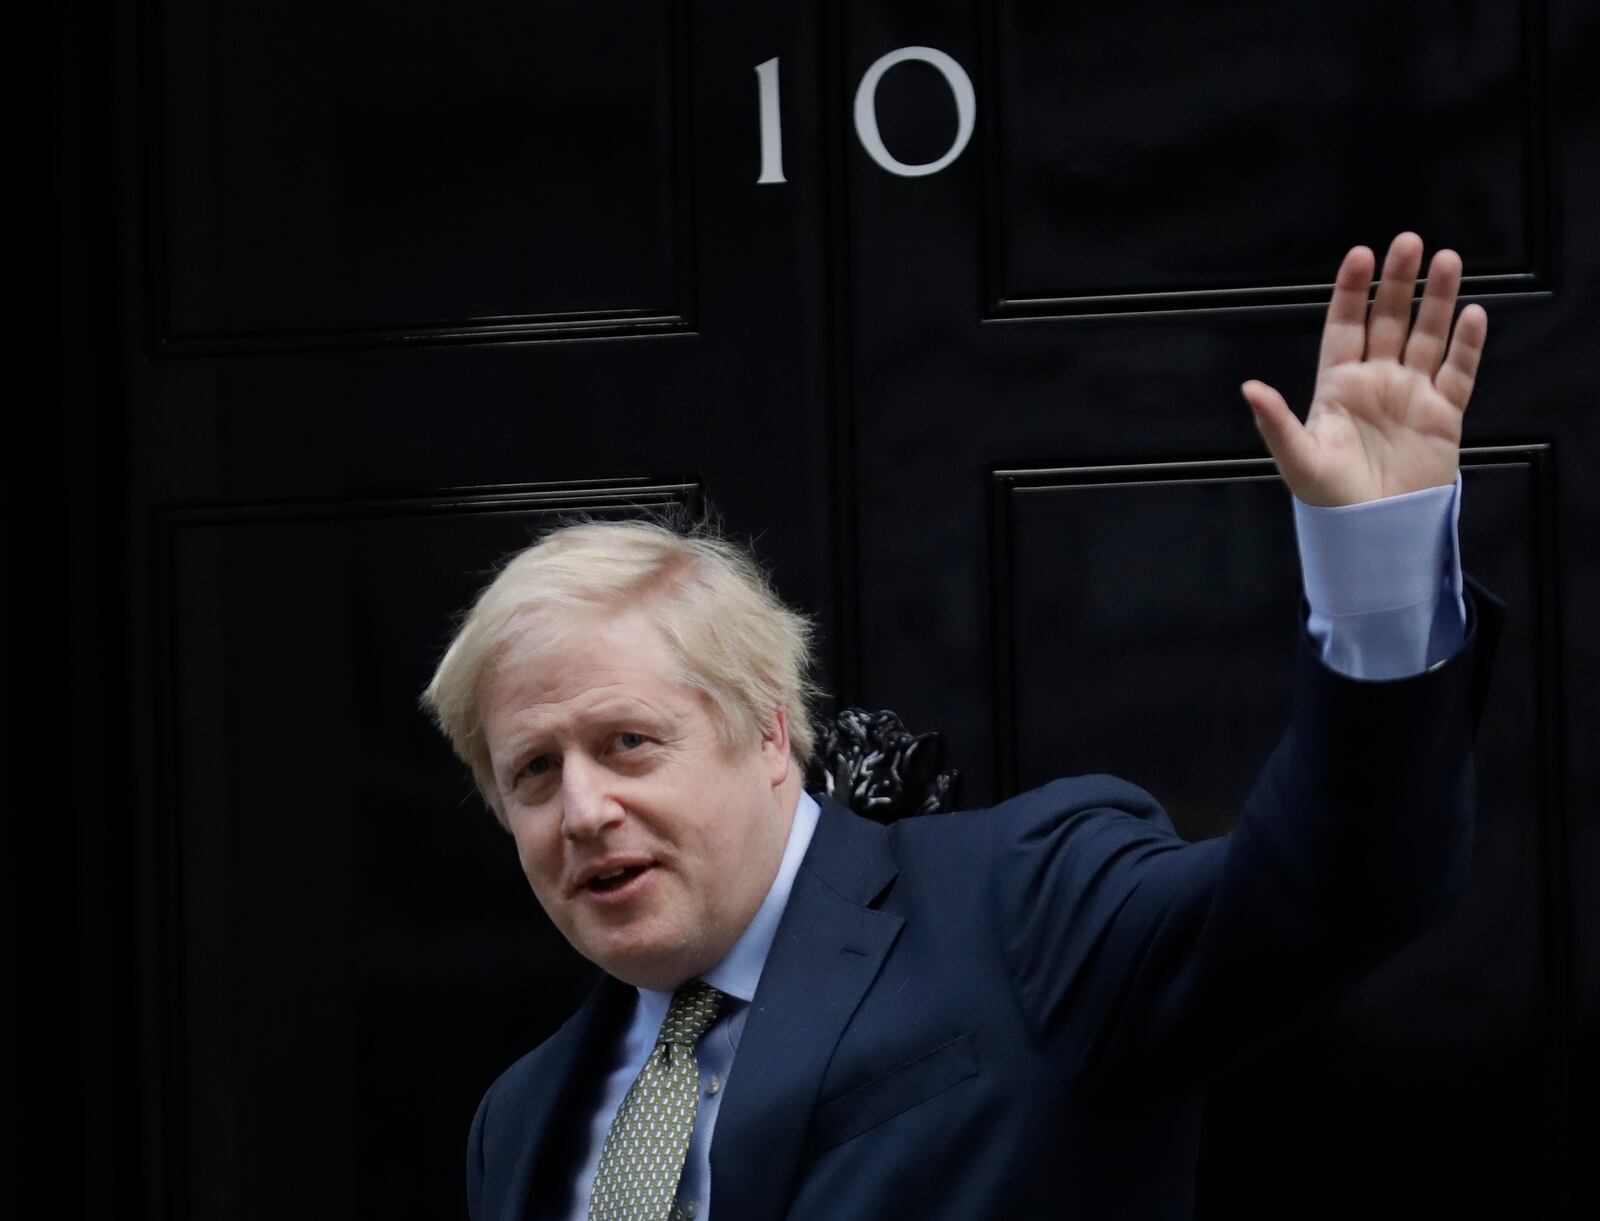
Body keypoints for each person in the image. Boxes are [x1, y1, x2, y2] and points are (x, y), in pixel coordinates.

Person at [422, 233, 1498, 1220]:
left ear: (765, 731)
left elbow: (1336, 891)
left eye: (627, 744)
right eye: (531, 772)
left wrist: (1379, 579)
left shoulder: (1021, 910)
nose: (582, 809)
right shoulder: (518, 1123)